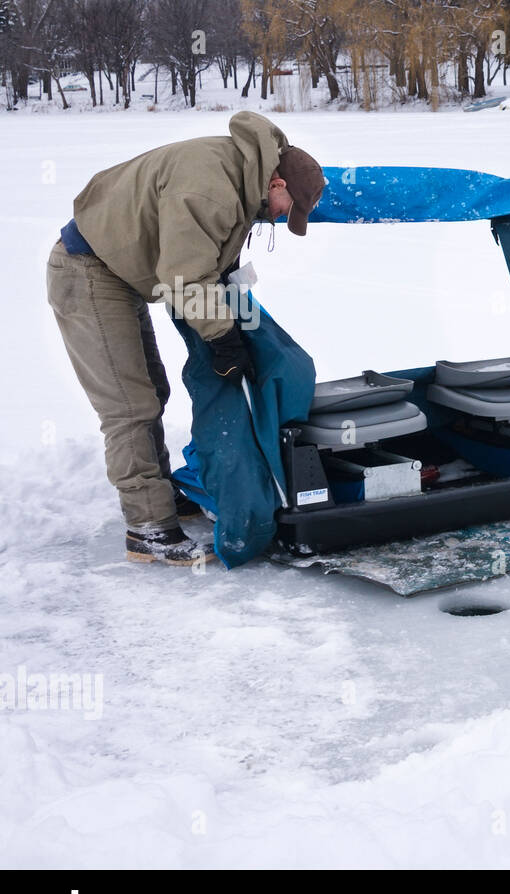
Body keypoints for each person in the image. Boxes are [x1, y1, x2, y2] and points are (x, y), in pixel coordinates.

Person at [46, 112, 324, 566]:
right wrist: (222, 337)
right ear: (277, 184)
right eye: (285, 209)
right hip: (88, 271)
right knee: (129, 404)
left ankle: (157, 497)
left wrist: (236, 326)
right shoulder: (211, 187)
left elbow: (209, 265)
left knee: (152, 391)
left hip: (122, 271)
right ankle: (147, 527)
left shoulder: (245, 174)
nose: (278, 219)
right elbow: (183, 277)